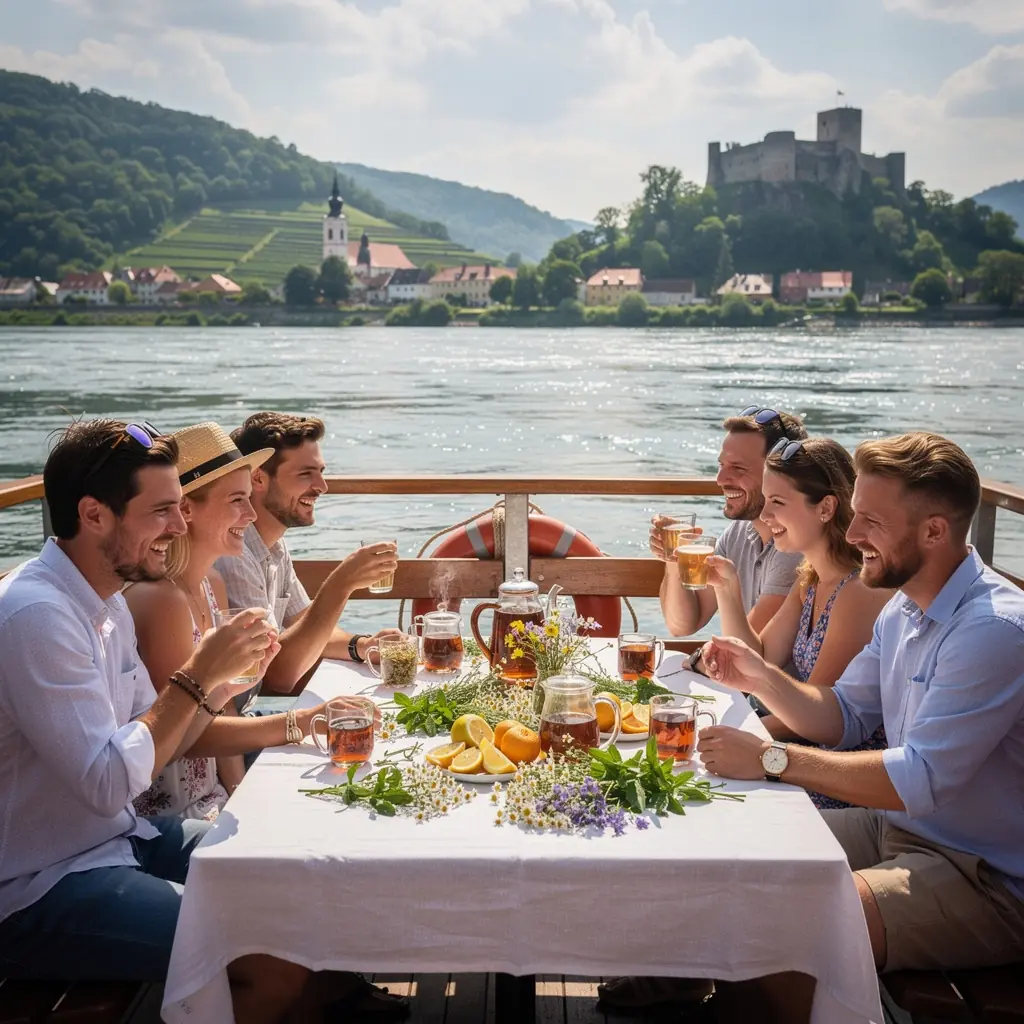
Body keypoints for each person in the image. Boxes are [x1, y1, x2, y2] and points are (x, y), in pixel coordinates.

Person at [0, 419, 310, 1024]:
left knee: (292, 879)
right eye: (162, 510)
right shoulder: (36, 616)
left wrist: (219, 684)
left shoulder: (106, 600)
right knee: (272, 957)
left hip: (119, 841)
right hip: (40, 885)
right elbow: (108, 784)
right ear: (94, 515)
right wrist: (197, 677)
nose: (178, 525)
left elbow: (167, 738)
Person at [698, 432, 1024, 973]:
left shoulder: (992, 629)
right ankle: (688, 988)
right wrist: (762, 678)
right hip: (900, 829)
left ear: (934, 531)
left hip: (987, 875)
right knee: (737, 844)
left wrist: (770, 759)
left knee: (800, 913)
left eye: (871, 520)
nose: (851, 534)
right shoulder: (903, 608)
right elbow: (844, 716)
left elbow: (920, 778)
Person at [126, 422, 325, 818]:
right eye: (237, 500)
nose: (251, 514)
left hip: (210, 794)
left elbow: (220, 709)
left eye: (249, 498)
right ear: (186, 509)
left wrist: (236, 795)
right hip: (170, 816)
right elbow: (185, 738)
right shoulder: (163, 600)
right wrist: (298, 723)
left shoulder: (210, 584)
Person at [701, 436, 891, 809]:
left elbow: (813, 717)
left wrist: (729, 735)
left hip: (837, 778)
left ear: (826, 508)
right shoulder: (811, 579)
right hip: (798, 754)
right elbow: (761, 656)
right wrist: (727, 589)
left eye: (777, 502)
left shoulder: (857, 592)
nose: (765, 515)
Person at [215, 412, 401, 703]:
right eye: (305, 474)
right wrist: (342, 584)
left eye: (321, 472)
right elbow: (277, 675)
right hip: (236, 719)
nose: (321, 486)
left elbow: (306, 625)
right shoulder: (234, 555)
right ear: (258, 478)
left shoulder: (275, 546)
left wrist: (363, 646)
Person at [652, 406, 808, 652]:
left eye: (738, 468)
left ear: (779, 474)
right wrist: (674, 561)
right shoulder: (738, 534)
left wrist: (696, 661)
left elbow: (747, 653)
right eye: (721, 465)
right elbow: (681, 625)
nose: (721, 479)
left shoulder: (795, 548)